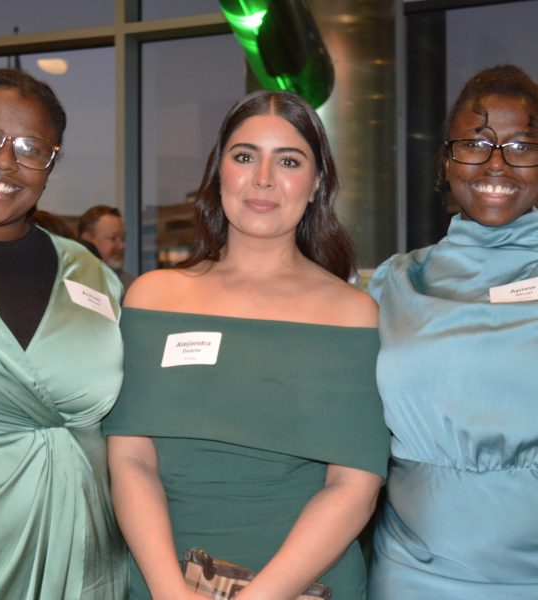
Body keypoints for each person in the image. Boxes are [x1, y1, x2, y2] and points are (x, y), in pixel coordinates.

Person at [104, 89, 389, 599]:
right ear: (219, 173)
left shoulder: (353, 314)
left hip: (307, 586)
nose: (263, 178)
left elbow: (353, 487)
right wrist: (170, 591)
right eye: (244, 156)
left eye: (289, 161)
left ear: (317, 183)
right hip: (161, 580)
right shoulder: (153, 297)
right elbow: (131, 459)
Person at [0, 68, 127, 599]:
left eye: (30, 148)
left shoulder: (90, 274)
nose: (4, 161)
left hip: (86, 563)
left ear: (50, 165)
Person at [367, 64, 538, 599]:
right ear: (446, 161)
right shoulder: (394, 282)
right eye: (475, 143)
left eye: (521, 146)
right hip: (410, 574)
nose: (496, 163)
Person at [78, 204, 136, 292]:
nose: (122, 246)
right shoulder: (69, 282)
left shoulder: (132, 287)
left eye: (123, 239)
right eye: (113, 238)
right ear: (87, 240)